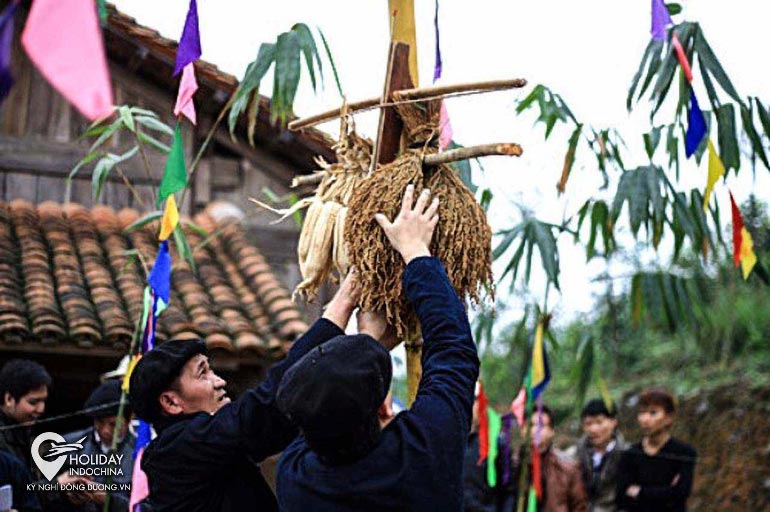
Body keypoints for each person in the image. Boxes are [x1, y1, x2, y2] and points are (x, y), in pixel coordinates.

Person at [276, 185, 480, 511]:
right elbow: (453, 353)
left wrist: (367, 347)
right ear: (384, 407)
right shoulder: (422, 454)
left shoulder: (296, 482)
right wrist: (415, 250)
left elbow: (454, 359)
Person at [128, 267, 362, 512]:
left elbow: (281, 423)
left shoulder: (209, 449)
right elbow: (265, 407)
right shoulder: (177, 450)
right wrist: (342, 304)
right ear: (171, 402)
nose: (219, 381)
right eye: (202, 373)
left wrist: (366, 344)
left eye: (211, 370)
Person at [54, 380, 135, 511]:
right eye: (99, 422)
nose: (105, 430)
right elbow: (49, 496)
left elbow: (143, 505)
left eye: (114, 424)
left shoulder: (140, 452)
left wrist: (107, 499)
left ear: (129, 419)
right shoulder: (68, 446)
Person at [616, 388, 696, 512]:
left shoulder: (684, 453)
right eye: (642, 413)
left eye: (653, 413)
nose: (645, 419)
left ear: (669, 417)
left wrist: (640, 492)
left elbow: (681, 493)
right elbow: (622, 498)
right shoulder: (630, 454)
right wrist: (666, 492)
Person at [514, 405, 587, 512]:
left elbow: (578, 507)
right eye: (530, 425)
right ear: (522, 430)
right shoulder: (511, 465)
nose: (534, 431)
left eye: (541, 426)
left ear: (551, 431)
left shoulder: (567, 468)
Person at [575, 399, 626, 512]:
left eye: (599, 422)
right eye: (588, 423)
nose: (593, 429)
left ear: (613, 422)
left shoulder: (626, 455)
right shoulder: (574, 455)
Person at [0, 360, 51, 470]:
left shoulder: (24, 432)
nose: (41, 409)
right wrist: (58, 483)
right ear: (9, 399)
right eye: (33, 402)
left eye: (43, 401)